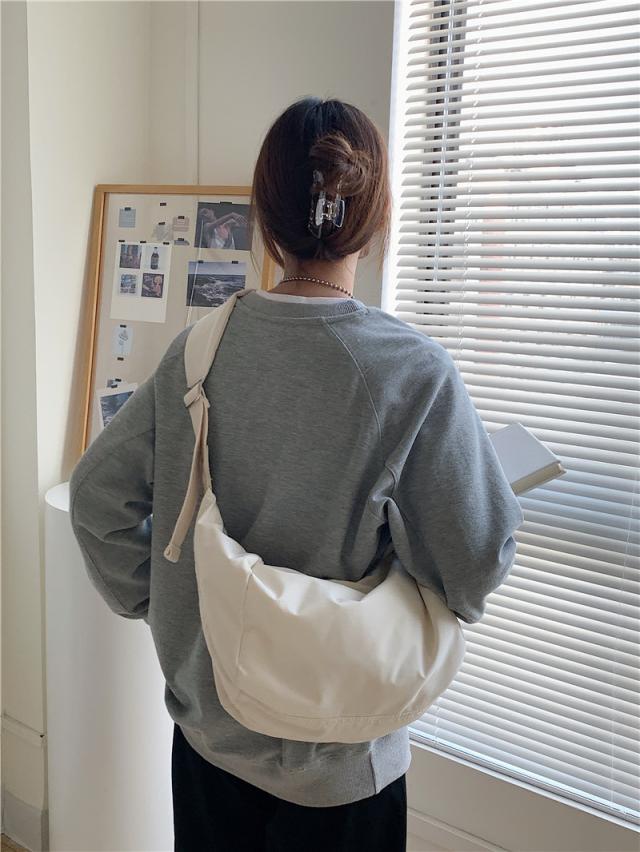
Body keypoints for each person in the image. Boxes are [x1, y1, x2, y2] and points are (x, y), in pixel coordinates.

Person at [69, 97, 524, 851]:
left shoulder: (198, 352)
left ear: (265, 218)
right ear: (375, 220)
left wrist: (168, 606)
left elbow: (95, 499)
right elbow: (474, 566)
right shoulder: (412, 373)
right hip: (341, 764)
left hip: (211, 742)